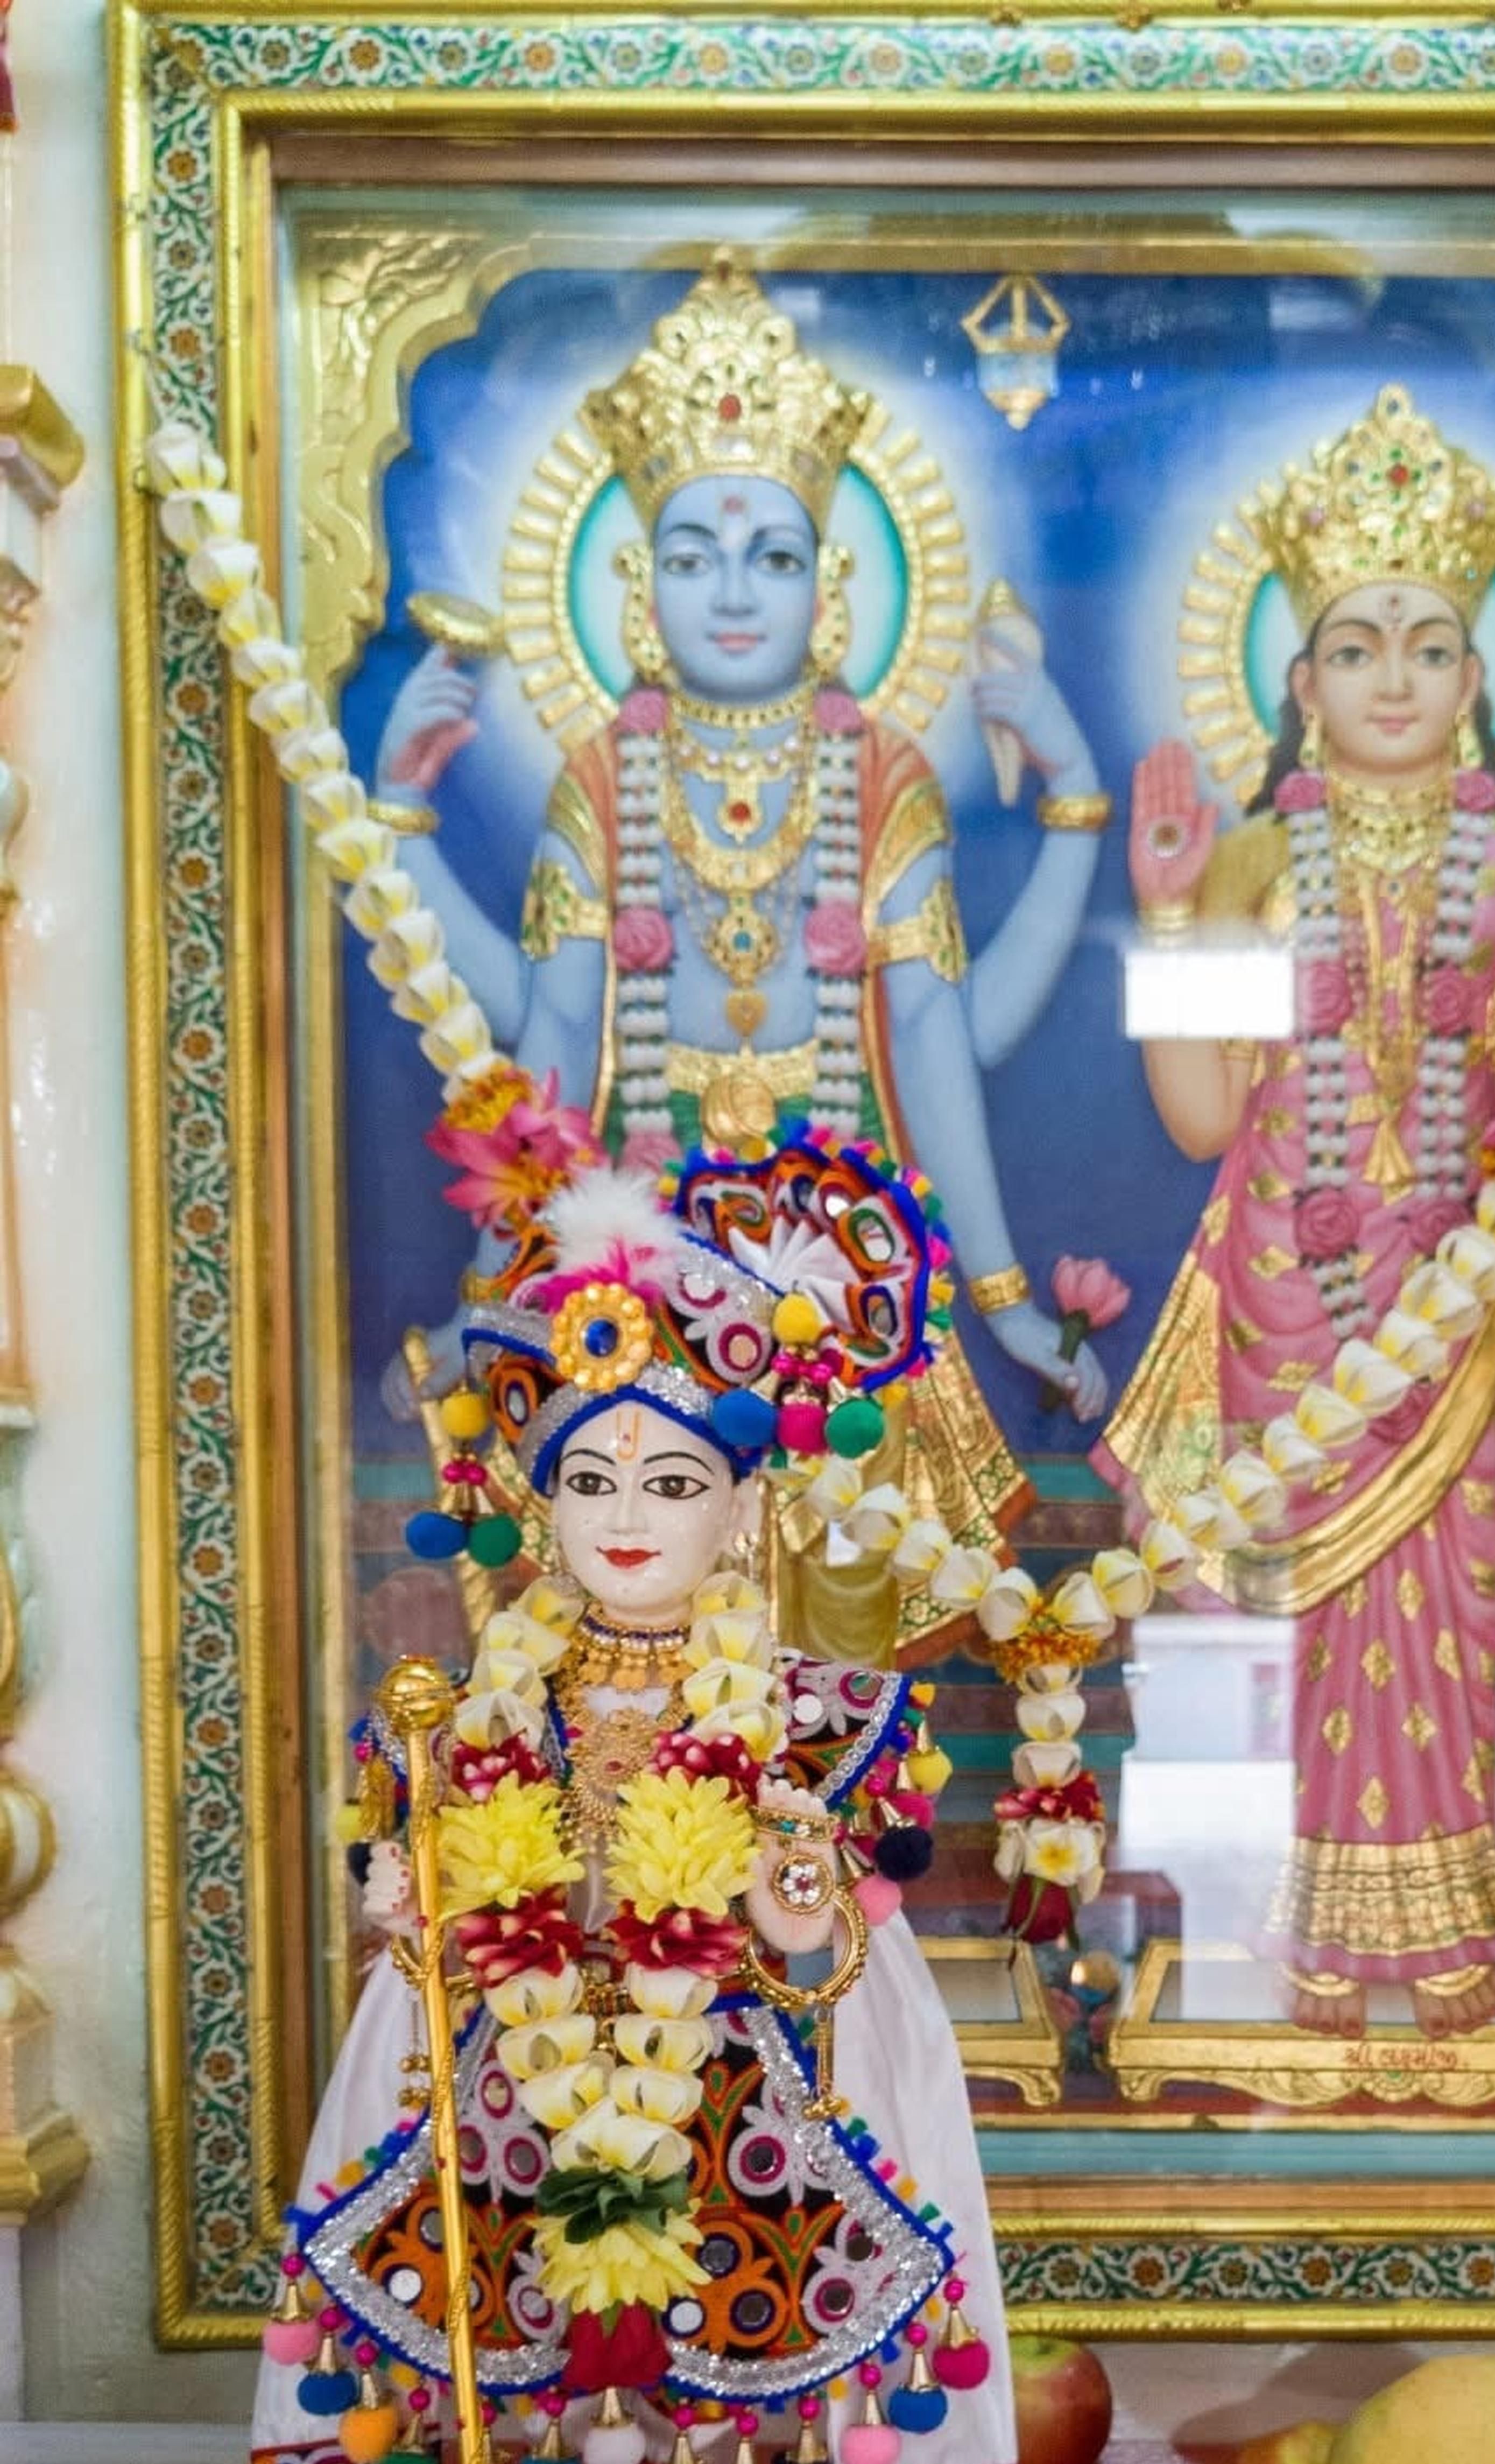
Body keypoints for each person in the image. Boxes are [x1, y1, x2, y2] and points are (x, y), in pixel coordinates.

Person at [244, 1127, 1049, 2464]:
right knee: (536, 2297)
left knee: (704, 2312)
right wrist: (408, 1897)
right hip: (521, 2052)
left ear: (741, 1505)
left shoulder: (813, 1711)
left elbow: (839, 1953)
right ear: (540, 1504)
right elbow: (421, 1876)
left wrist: (798, 1916)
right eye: (592, 1479)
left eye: (673, 1481)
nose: (628, 1515)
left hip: (727, 2068)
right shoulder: (479, 1705)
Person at [372, 258, 1113, 1648]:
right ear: (638, 590)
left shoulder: (881, 776)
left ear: (828, 591)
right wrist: (404, 827)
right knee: (644, 1628)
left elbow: (944, 1043)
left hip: (846, 1274)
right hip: (636, 1264)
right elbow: (548, 1046)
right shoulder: (606, 776)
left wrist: (1002, 1300)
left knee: (840, 1644)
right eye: (693, 557)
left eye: (770, 557)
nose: (731, 591)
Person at [1099, 384, 1495, 2041]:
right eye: (1357, 647)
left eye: (1430, 645)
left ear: (1480, 678)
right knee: (1310, 1620)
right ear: (1300, 684)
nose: (1396, 678)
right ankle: (1317, 1910)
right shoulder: (1247, 864)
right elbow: (1206, 1121)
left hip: (1448, 1311)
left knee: (1440, 1619)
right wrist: (1165, 912)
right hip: (1278, 1310)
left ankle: (1437, 1910)